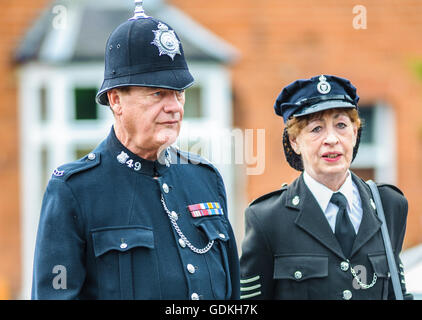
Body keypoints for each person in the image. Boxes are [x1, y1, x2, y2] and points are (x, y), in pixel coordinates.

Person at [31, 2, 239, 300]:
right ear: (116, 100)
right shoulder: (74, 190)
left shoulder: (205, 180)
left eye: (179, 94)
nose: (174, 107)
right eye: (158, 93)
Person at [239, 75, 412, 300]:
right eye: (316, 129)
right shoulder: (267, 218)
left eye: (341, 125)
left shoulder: (389, 205)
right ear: (294, 141)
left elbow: (395, 293)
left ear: (355, 133)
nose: (331, 139)